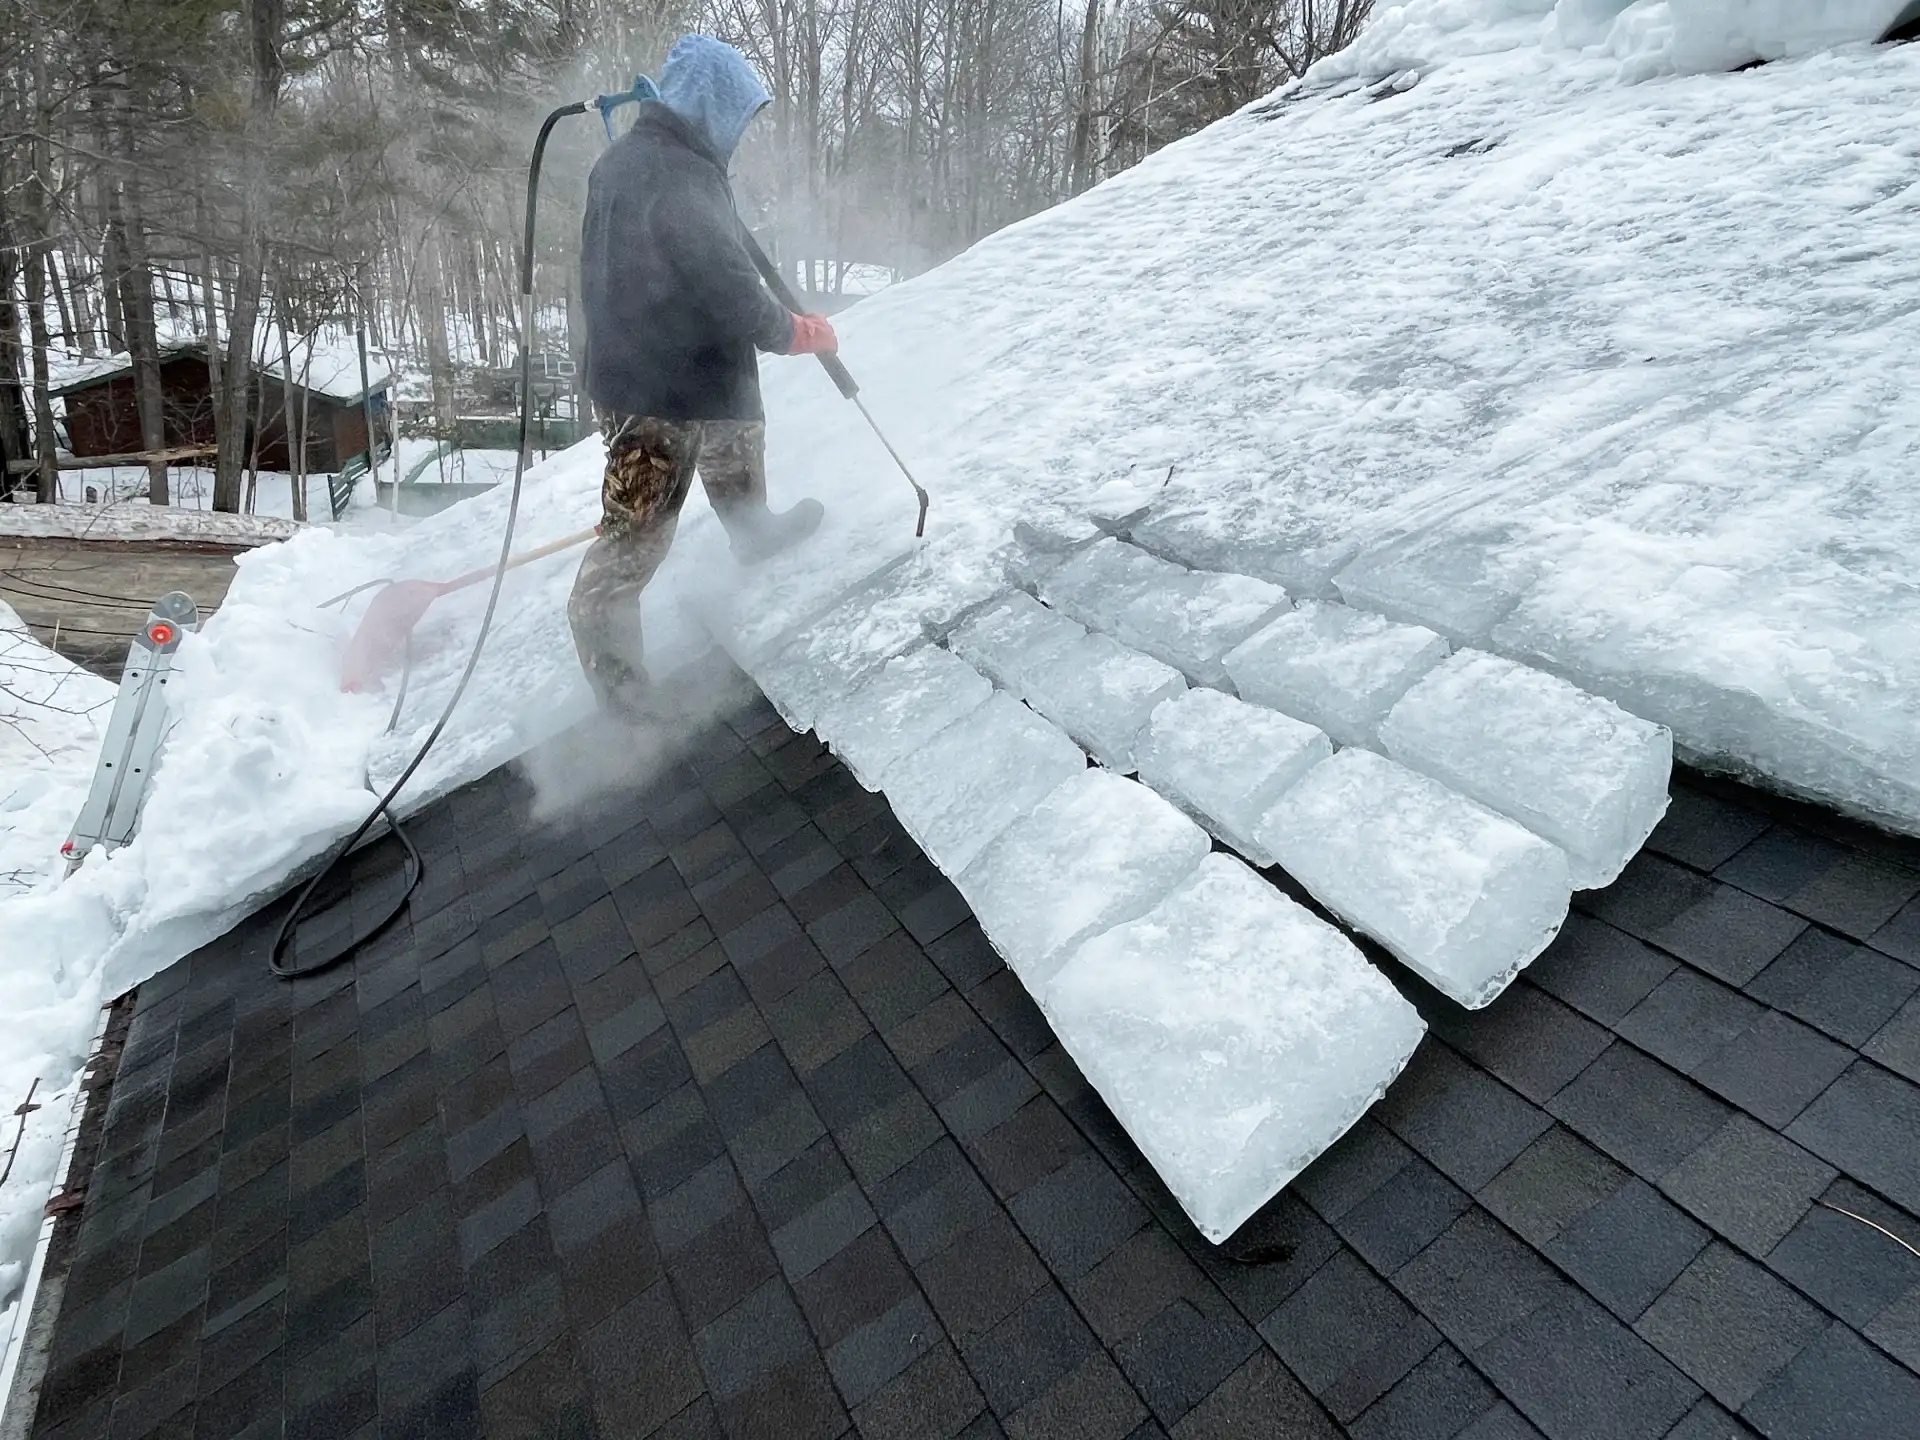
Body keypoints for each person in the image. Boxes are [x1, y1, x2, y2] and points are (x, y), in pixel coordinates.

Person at [570, 34, 836, 721]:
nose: (740, 133)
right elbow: (728, 284)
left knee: (737, 426)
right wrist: (794, 331)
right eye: (737, 115)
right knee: (633, 543)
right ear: (710, 107)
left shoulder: (634, 161)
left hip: (683, 365)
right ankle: (623, 700)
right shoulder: (679, 174)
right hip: (651, 390)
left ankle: (753, 529)